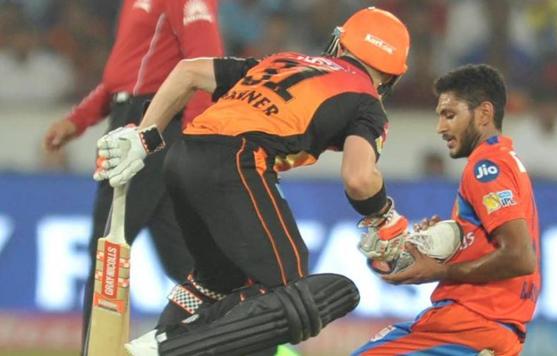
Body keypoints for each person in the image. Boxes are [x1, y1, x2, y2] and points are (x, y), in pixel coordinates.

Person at [94, 7, 412, 355]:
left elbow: (188, 72)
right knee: (287, 291)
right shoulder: (367, 104)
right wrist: (384, 216)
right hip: (238, 162)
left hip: (183, 156)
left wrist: (144, 137)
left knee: (214, 282)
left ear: (340, 43)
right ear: (392, 76)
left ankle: (163, 338)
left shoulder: (286, 60)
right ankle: (167, 345)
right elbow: (359, 178)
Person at [40, 0, 224, 352]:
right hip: (134, 118)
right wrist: (77, 120)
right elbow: (119, 80)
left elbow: (207, 68)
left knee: (106, 249)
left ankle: (94, 350)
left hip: (149, 128)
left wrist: (195, 139)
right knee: (184, 261)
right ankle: (251, 333)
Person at [354, 64, 540, 355]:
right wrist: (444, 247)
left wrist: (440, 269)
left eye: (449, 115)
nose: (440, 127)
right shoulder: (505, 161)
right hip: (500, 333)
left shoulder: (485, 168)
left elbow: (520, 256)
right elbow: (501, 247)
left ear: (483, 114)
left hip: (467, 324)